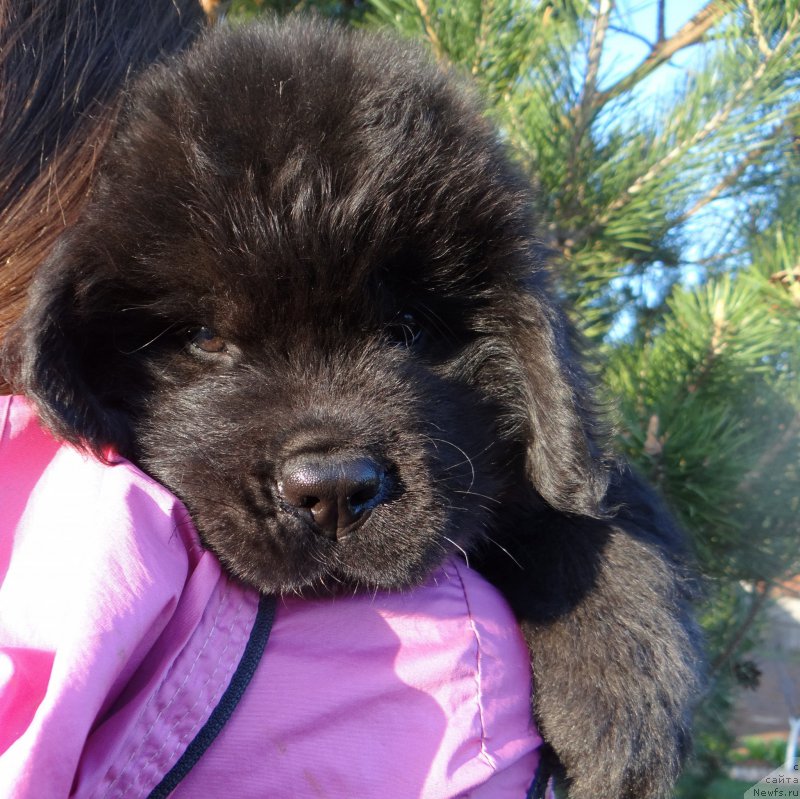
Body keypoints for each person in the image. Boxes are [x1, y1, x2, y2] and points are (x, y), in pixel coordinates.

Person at [0, 3, 543, 796]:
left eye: (402, 328)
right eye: (205, 339)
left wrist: (585, 552)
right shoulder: (448, 676)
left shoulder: (435, 665)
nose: (328, 474)